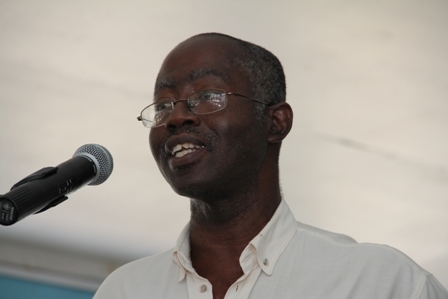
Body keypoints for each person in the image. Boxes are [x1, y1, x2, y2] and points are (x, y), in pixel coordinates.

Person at [93, 33, 448, 299]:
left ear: (275, 122)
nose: (177, 117)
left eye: (207, 96)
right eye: (162, 105)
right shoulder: (125, 290)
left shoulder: (378, 283)